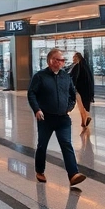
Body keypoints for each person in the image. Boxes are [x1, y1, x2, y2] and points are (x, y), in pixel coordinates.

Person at [27, 49, 86, 187]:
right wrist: (37, 109)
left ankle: (73, 174)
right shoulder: (40, 77)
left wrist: (69, 107)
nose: (62, 62)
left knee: (66, 144)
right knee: (42, 145)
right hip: (45, 118)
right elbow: (32, 94)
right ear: (52, 61)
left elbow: (72, 94)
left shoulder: (66, 76)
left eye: (63, 60)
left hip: (63, 118)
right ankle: (39, 170)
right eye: (60, 60)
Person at [69, 52, 94, 129]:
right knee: (84, 105)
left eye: (74, 57)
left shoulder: (78, 66)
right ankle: (84, 121)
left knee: (81, 105)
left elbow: (73, 77)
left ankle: (85, 119)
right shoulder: (86, 66)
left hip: (80, 89)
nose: (73, 59)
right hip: (88, 89)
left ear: (77, 57)